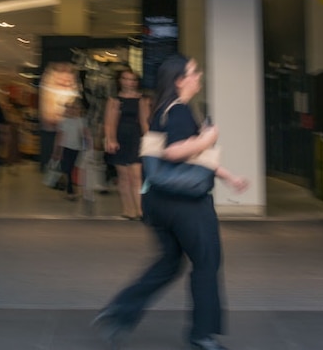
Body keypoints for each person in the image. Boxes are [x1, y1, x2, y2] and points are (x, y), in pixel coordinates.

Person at [93, 54, 248, 350]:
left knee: (169, 262)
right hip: (186, 204)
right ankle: (202, 335)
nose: (199, 75)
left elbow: (189, 156)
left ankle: (120, 310)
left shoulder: (162, 110)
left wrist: (228, 176)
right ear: (180, 80)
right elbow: (176, 152)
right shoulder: (178, 112)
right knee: (207, 262)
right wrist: (208, 138)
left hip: (159, 202)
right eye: (194, 72)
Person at [103, 68, 149, 219]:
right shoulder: (114, 100)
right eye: (126, 79)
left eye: (133, 79)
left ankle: (141, 210)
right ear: (120, 80)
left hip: (136, 138)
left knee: (136, 175)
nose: (129, 82)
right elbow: (109, 123)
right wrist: (111, 139)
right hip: (120, 138)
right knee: (123, 176)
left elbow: (144, 122)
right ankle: (128, 210)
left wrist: (148, 140)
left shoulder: (141, 99)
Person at [54, 99, 90, 200]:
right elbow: (59, 137)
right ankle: (70, 191)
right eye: (73, 108)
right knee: (67, 169)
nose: (75, 110)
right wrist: (57, 151)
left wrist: (88, 146)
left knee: (70, 169)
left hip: (76, 149)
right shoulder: (64, 121)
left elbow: (85, 134)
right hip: (65, 148)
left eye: (77, 108)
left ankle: (70, 190)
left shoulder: (81, 121)